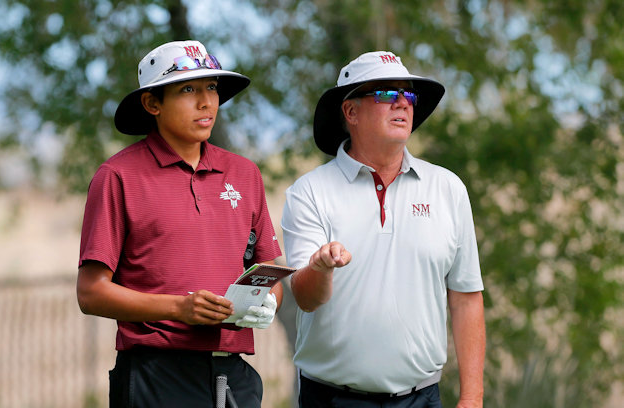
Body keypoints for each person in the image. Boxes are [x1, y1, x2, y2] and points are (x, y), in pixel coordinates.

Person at [76, 40, 283, 408]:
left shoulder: (245, 173)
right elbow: (91, 293)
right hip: (155, 375)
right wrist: (179, 310)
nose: (206, 102)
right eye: (188, 89)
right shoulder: (117, 176)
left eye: (211, 88)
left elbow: (270, 270)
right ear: (152, 103)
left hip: (235, 376)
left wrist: (269, 303)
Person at [281, 51, 485, 408]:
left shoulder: (448, 187)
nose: (403, 104)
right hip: (332, 399)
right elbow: (306, 299)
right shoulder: (309, 191)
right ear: (351, 112)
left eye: (408, 96)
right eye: (387, 95)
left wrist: (472, 397)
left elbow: (466, 297)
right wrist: (320, 267)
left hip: (423, 398)